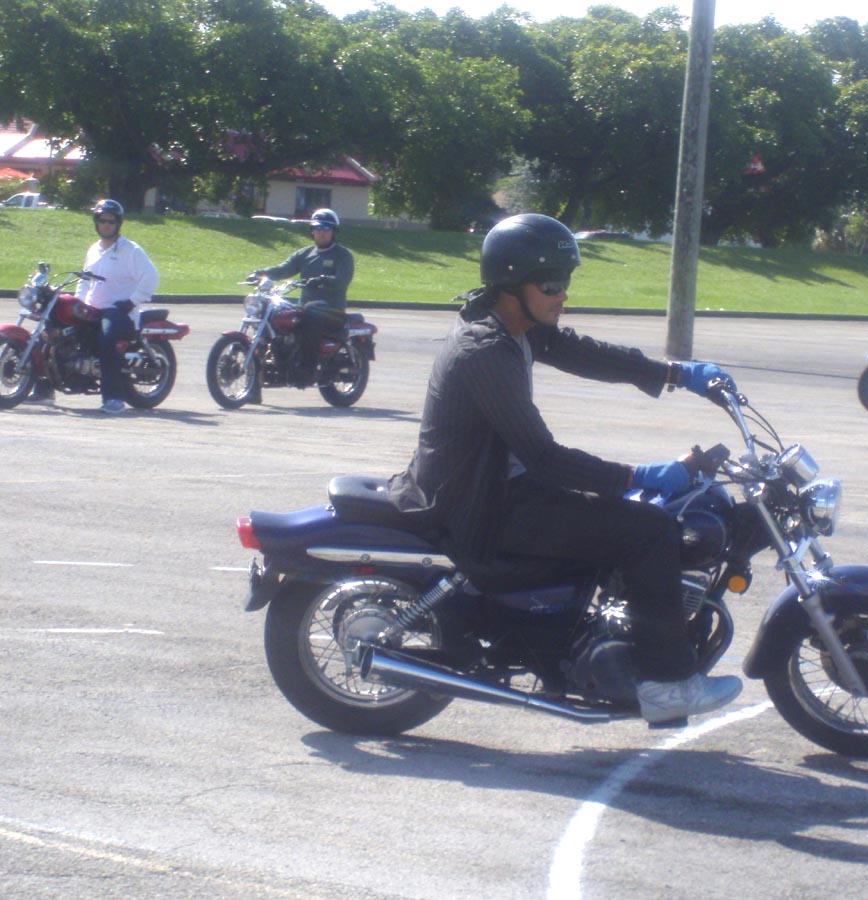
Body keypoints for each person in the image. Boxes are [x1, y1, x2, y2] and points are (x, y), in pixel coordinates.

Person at [387, 213, 743, 725]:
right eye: (552, 284)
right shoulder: (484, 351)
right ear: (512, 283)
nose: (563, 295)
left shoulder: (514, 327)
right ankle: (668, 683)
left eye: (566, 281)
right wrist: (639, 476)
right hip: (483, 506)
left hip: (499, 487)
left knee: (631, 511)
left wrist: (675, 373)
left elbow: (582, 352)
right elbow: (544, 457)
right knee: (649, 529)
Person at [76, 199, 160, 414]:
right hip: (92, 309)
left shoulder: (130, 250)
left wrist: (131, 302)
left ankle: (114, 398)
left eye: (110, 221)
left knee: (107, 339)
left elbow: (151, 277)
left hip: (119, 311)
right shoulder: (94, 249)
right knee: (58, 328)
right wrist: (78, 304)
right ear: (96, 222)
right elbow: (84, 280)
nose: (106, 225)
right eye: (102, 220)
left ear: (118, 223)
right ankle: (44, 387)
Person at [254, 208, 355, 383]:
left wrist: (324, 280)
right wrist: (261, 274)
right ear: (312, 231)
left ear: (334, 231)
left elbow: (342, 280)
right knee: (274, 311)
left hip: (332, 311)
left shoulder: (343, 255)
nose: (321, 232)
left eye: (326, 228)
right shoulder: (305, 254)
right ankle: (263, 362)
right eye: (317, 228)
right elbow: (283, 269)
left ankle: (307, 369)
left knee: (311, 310)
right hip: (306, 308)